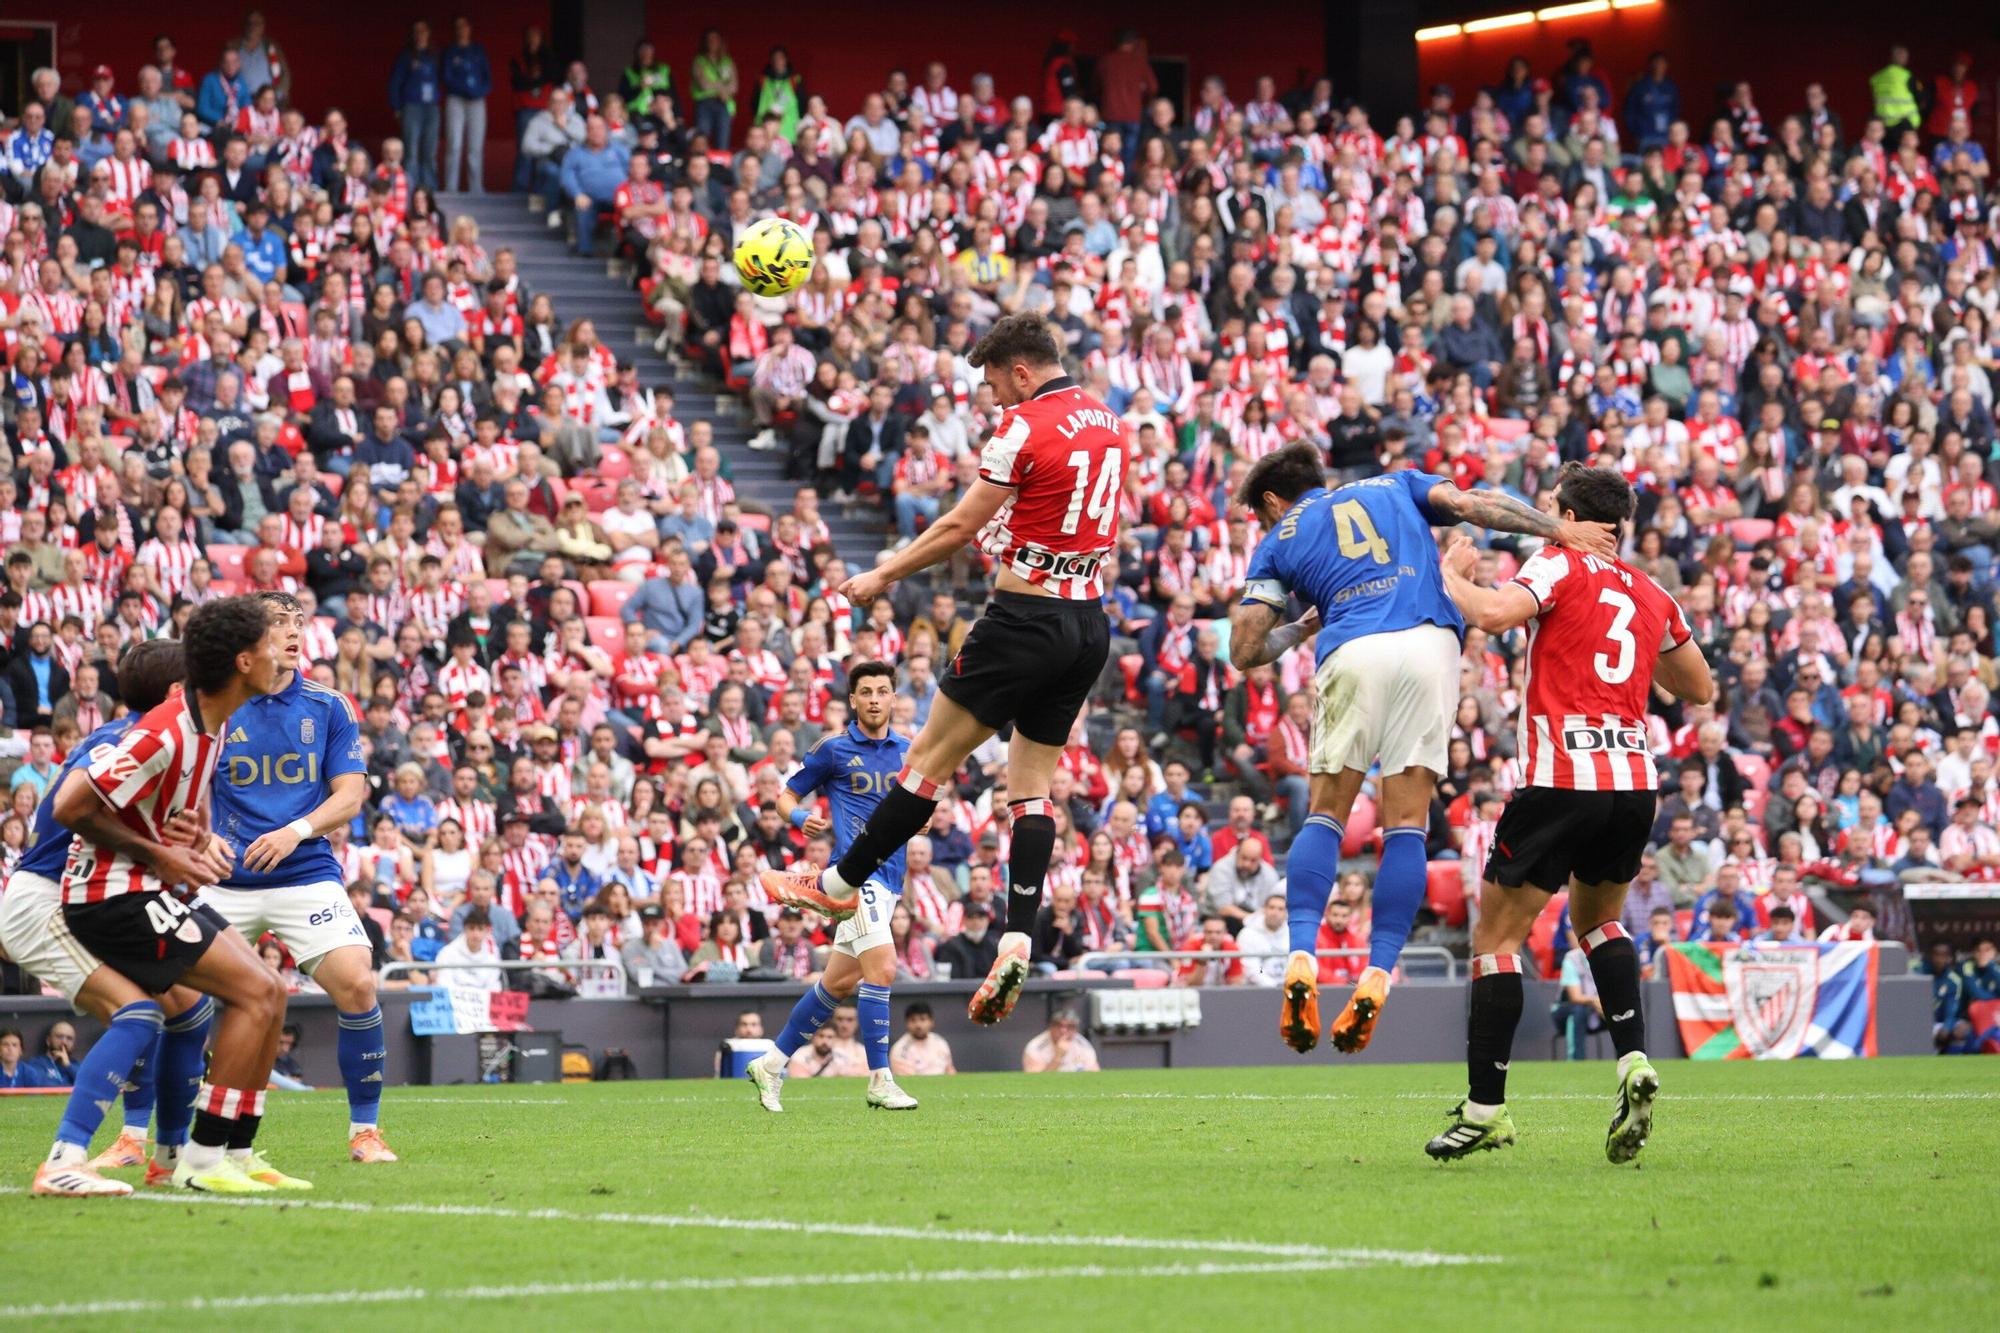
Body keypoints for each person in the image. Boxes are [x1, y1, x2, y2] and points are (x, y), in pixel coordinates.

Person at [763, 314, 1128, 1032]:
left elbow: (959, 526)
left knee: (925, 761)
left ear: (1022, 371)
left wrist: (883, 573)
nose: (993, 400)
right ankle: (1019, 935)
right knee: (1030, 789)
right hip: (1088, 621)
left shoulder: (1025, 425)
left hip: (1023, 620)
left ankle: (837, 882)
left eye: (994, 383)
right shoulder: (1108, 419)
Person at [1228, 444, 1618, 1056]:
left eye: (1260, 514)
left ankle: (1301, 956)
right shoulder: (1394, 484)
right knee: (1407, 826)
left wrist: (1301, 627)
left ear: (1273, 501)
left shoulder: (1280, 536)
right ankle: (1379, 973)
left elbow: (1245, 650)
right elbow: (1474, 505)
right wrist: (1561, 530)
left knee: (1326, 815)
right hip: (1431, 644)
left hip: (1354, 646)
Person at [1423, 464, 1712, 1164]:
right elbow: (1698, 686)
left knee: (1496, 939)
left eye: (1553, 507)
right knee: (1599, 922)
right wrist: (1643, 655)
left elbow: (1491, 615)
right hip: (1635, 783)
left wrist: (1448, 572)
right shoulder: (1651, 592)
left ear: (1573, 515)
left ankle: (1485, 1108)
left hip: (1562, 775)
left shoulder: (1556, 563)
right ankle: (1633, 1061)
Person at [50, 596, 297, 1195]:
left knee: (272, 993)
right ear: (243, 660)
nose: (282, 655)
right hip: (110, 898)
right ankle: (202, 1159)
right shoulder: (164, 732)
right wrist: (161, 854)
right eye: (271, 643)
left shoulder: (213, 722)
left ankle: (234, 1150)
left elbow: (164, 811)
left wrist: (187, 842)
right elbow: (69, 807)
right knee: (256, 993)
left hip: (147, 888)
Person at [178, 592, 394, 1164]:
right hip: (223, 876)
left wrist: (296, 830)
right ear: (251, 642)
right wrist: (204, 835)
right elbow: (186, 781)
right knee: (171, 997)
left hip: (304, 871)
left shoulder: (329, 706)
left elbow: (350, 794)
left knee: (358, 984)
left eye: (299, 622)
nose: (294, 632)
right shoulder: (219, 703)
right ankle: (139, 1139)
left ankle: (365, 1132)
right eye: (278, 623)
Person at [747, 663, 919, 1112]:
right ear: (854, 701)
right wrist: (802, 818)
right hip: (855, 877)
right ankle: (880, 1079)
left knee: (837, 984)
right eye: (867, 692)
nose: (876, 699)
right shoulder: (835, 748)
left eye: (884, 690)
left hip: (892, 877)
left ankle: (770, 1063)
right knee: (882, 971)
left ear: (894, 698)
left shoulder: (910, 751)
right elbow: (784, 796)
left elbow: (924, 808)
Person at [441, 16, 492, 193]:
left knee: (475, 146)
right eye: (458, 27)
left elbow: (487, 78)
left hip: (477, 101)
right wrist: (464, 89)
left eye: (465, 26)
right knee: (454, 144)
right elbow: (446, 77)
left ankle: (476, 188)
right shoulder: (450, 51)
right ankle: (450, 188)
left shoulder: (478, 50)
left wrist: (478, 92)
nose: (462, 30)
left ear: (470, 29)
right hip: (456, 99)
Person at [889, 1001, 956, 1077]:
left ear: (931, 1022)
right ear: (906, 1023)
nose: (918, 1025)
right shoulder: (900, 1049)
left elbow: (950, 1071)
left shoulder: (941, 1043)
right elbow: (908, 1080)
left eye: (923, 1019)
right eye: (913, 1020)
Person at [1021, 1008, 1098, 1072]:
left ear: (1076, 1029)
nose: (1063, 1030)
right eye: (1058, 1025)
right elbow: (1035, 1081)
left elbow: (1095, 1073)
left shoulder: (1083, 1045)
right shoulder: (1036, 1047)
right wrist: (1058, 1057)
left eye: (1070, 1026)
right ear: (1050, 1027)